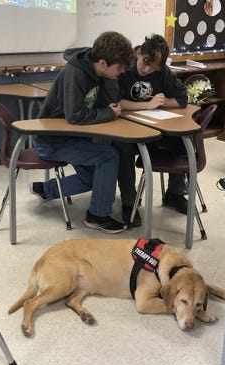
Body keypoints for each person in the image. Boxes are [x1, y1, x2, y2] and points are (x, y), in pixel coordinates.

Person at [30, 31, 135, 234]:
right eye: (119, 67)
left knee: (96, 177)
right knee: (108, 157)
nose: (122, 71)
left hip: (73, 137)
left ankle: (47, 190)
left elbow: (108, 102)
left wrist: (111, 82)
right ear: (103, 62)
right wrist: (108, 113)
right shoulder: (76, 73)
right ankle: (98, 215)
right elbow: (75, 116)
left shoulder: (99, 73)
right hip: (52, 141)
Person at [114, 34, 188, 226]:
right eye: (145, 63)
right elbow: (116, 103)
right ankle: (129, 203)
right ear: (139, 53)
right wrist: (147, 105)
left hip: (153, 127)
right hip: (126, 128)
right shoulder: (123, 68)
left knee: (179, 139)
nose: (147, 70)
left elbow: (181, 100)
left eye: (153, 68)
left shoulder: (164, 72)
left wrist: (161, 104)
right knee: (124, 148)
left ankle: (174, 193)